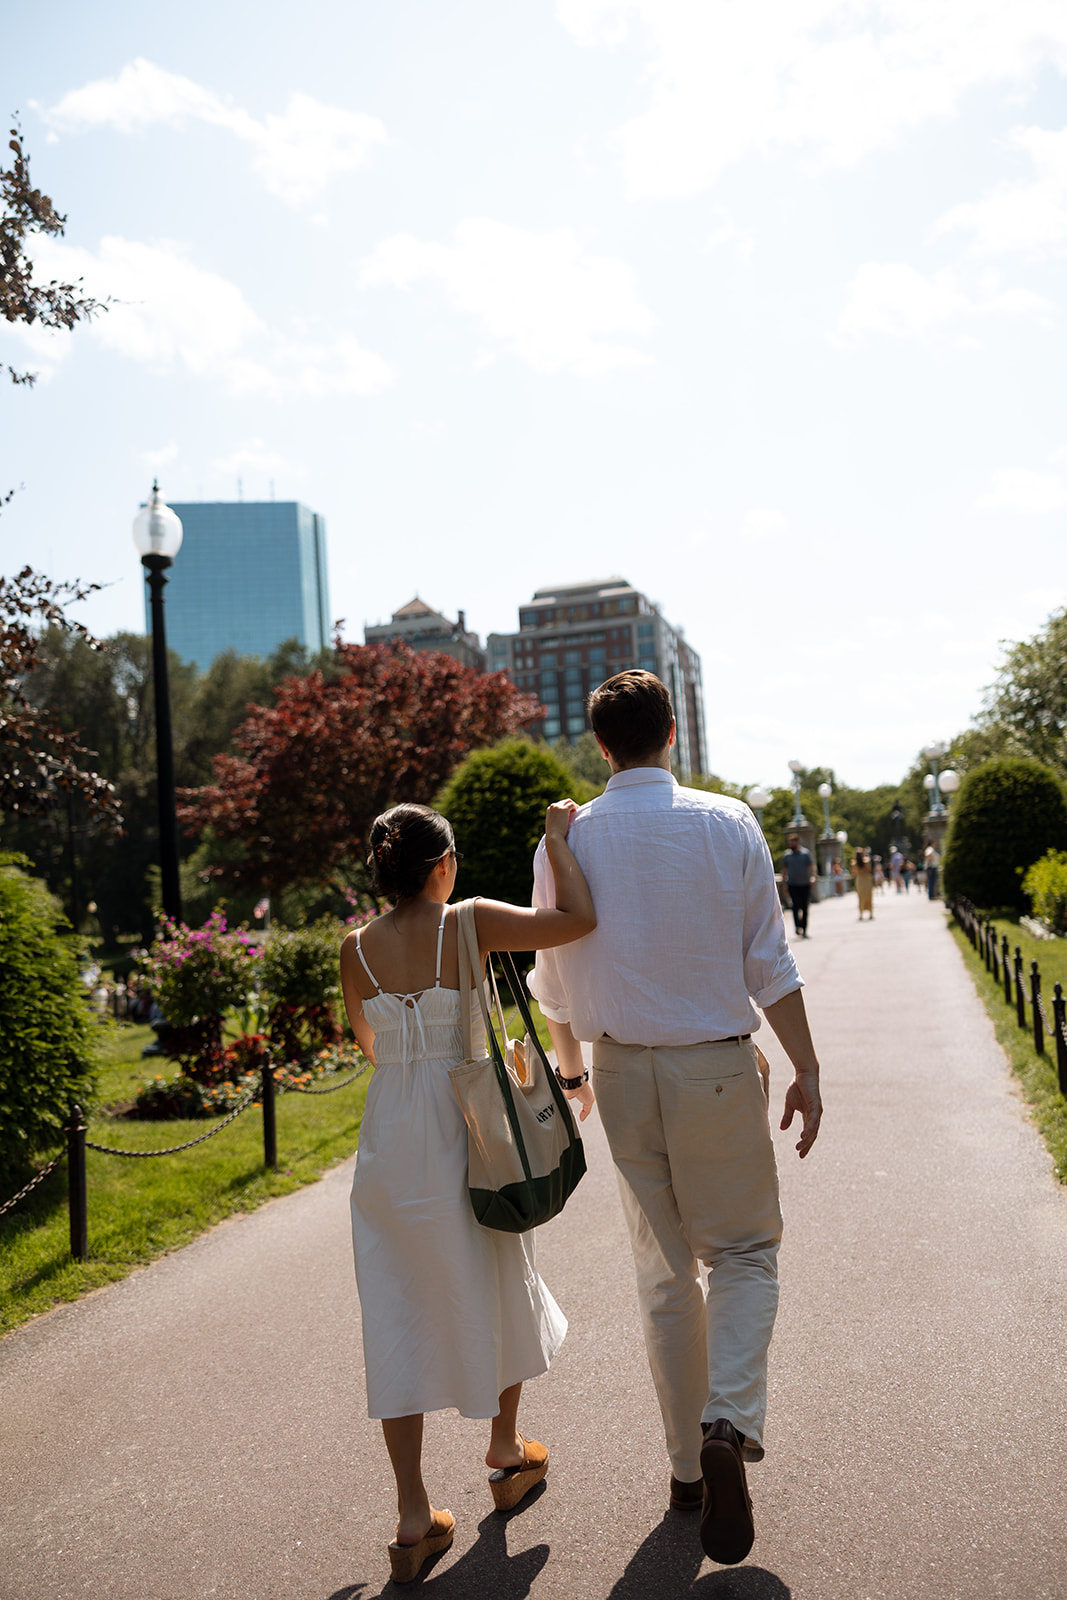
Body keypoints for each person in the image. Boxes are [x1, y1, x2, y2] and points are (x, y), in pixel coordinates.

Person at [528, 670, 823, 1568]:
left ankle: (684, 1474)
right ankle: (726, 1424)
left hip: (619, 1070)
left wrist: (573, 1074)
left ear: (603, 746)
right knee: (740, 1251)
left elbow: (552, 981)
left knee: (663, 1274)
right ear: (669, 734)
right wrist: (806, 1067)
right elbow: (767, 961)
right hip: (714, 1064)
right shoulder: (726, 819)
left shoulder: (565, 837)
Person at [339, 801, 596, 1584]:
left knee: (394, 1307)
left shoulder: (354, 948)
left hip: (389, 1141)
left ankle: (413, 1517)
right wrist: (554, 839)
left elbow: (369, 1043)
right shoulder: (470, 921)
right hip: (466, 1125)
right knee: (496, 1269)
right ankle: (504, 1448)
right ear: (442, 865)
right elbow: (576, 919)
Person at [781, 832, 816, 938]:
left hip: (805, 883)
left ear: (797, 842)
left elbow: (812, 866)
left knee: (804, 907)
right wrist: (784, 883)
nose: (790, 844)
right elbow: (784, 870)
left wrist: (813, 877)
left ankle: (804, 928)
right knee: (795, 906)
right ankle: (797, 927)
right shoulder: (787, 855)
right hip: (792, 884)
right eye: (789, 842)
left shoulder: (805, 853)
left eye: (792, 842)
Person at [851, 848, 874, 920]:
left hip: (859, 881)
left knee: (860, 898)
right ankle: (870, 913)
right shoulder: (867, 861)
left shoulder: (854, 863)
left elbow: (853, 873)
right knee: (869, 896)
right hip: (867, 880)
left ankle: (861, 914)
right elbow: (870, 869)